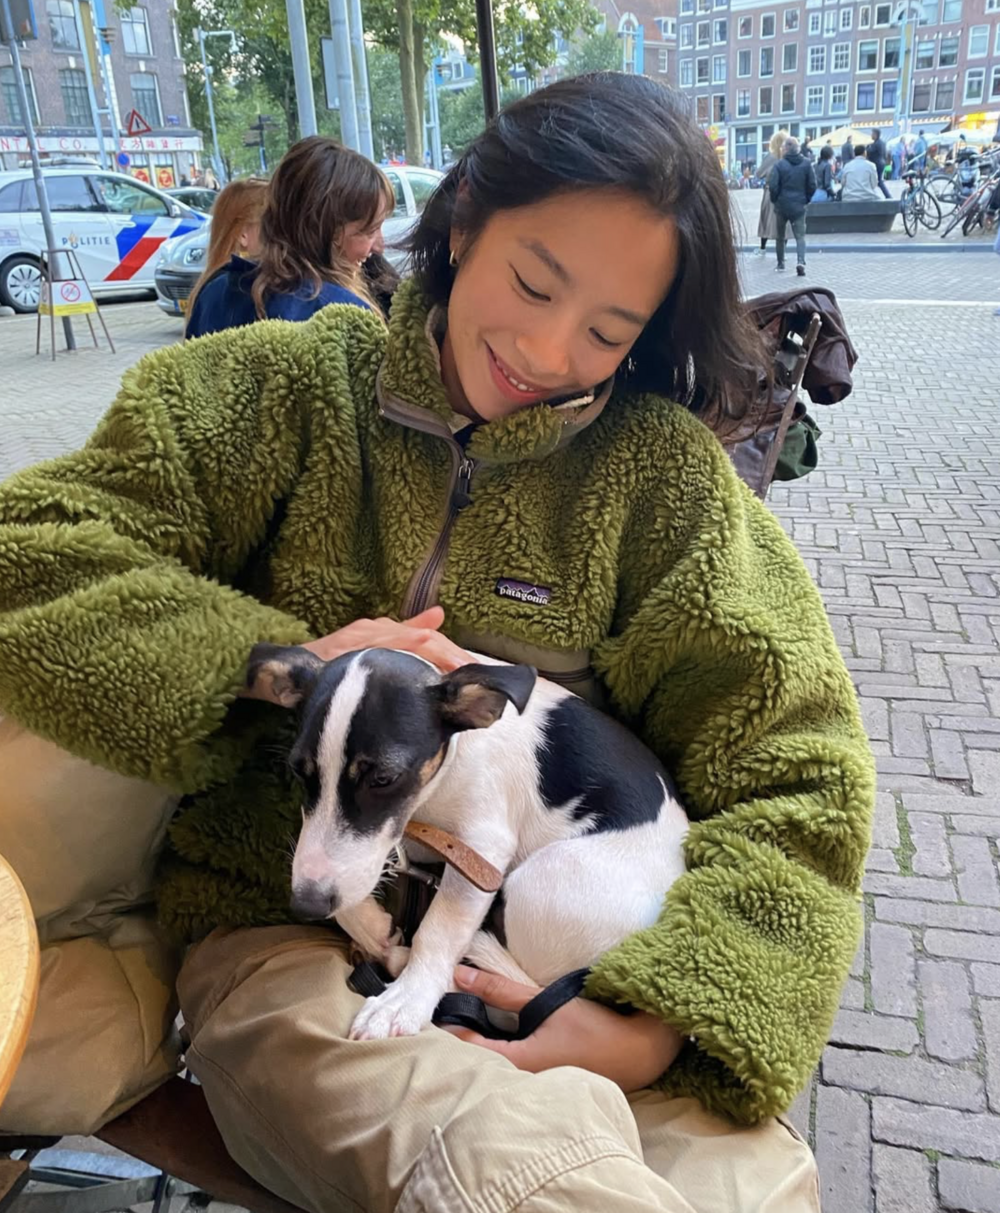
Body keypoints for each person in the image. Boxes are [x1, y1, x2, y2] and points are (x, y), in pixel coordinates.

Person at [0, 74, 874, 1213]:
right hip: (291, 944)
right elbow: (32, 553)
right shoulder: (283, 390)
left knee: (745, 1190)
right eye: (533, 282)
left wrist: (664, 1017)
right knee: (522, 1182)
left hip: (591, 977)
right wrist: (269, 667)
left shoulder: (665, 485)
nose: (546, 350)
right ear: (462, 222)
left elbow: (801, 774)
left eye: (608, 331)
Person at [185, 137, 393, 338]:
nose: (379, 246)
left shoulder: (213, 294)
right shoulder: (346, 317)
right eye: (370, 230)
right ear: (329, 230)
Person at [183, 177, 268, 331]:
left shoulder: (211, 287)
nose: (281, 233)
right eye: (270, 222)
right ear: (243, 234)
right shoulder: (236, 289)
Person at [769, 135, 816, 275]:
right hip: (799, 205)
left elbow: (773, 186)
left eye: (783, 147)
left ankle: (780, 264)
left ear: (786, 149)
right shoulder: (806, 164)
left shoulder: (779, 165)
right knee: (800, 236)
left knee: (780, 236)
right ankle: (801, 261)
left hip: (782, 205)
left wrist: (775, 200)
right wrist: (806, 199)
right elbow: (812, 185)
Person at [754, 128, 789, 256]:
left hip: (770, 192)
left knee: (766, 219)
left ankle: (762, 248)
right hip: (786, 193)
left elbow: (758, 174)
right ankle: (782, 252)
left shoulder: (770, 157)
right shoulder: (790, 158)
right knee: (784, 222)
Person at [867, 128, 891, 198]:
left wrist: (867, 148)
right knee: (877, 181)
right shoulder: (882, 143)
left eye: (872, 134)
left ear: (876, 134)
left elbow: (870, 152)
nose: (871, 135)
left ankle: (887, 196)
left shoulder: (876, 144)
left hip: (877, 164)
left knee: (877, 181)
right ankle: (887, 196)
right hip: (881, 163)